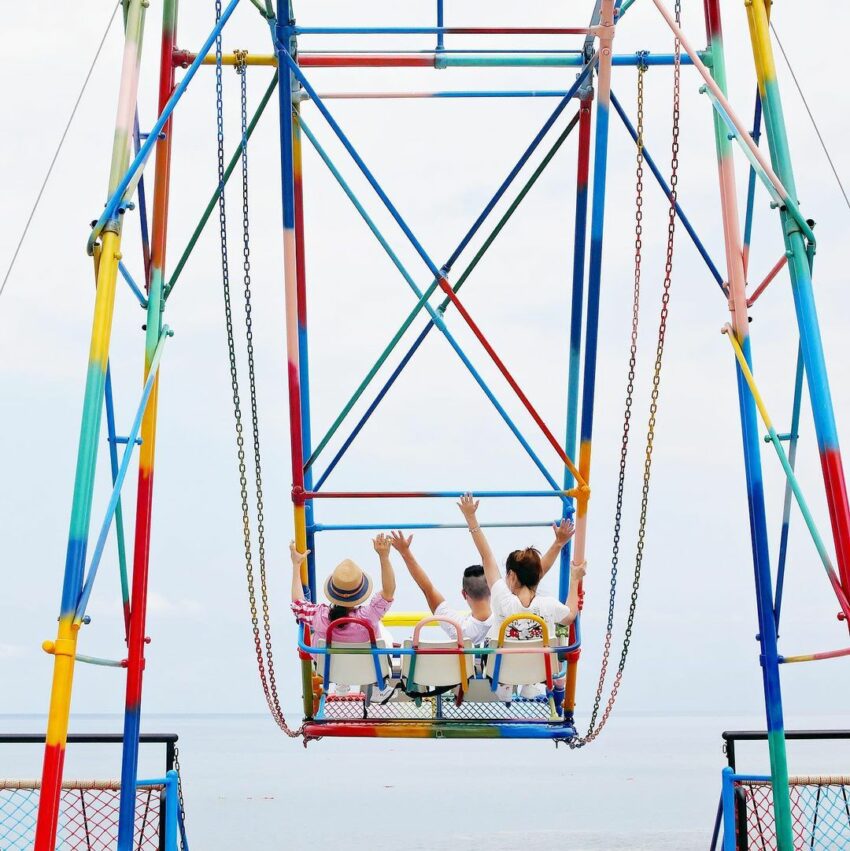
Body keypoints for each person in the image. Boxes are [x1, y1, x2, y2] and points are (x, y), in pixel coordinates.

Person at [457, 494, 585, 711]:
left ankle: (505, 685)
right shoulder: (549, 605)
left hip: (501, 670)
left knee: (497, 644)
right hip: (540, 671)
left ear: (511, 576)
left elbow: (486, 557)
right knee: (547, 646)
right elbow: (571, 614)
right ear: (537, 577)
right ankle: (530, 684)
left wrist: (471, 518)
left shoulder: (502, 599)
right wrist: (574, 579)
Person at [289, 534, 396, 644]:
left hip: (327, 656)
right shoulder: (369, 616)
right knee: (380, 628)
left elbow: (298, 604)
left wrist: (296, 565)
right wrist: (384, 557)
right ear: (360, 591)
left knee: (313, 636)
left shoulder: (320, 616)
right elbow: (389, 592)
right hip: (366, 656)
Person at [388, 530, 492, 644]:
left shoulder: (457, 627)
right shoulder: (504, 618)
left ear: (464, 594)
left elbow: (427, 589)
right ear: (492, 588)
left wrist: (404, 551)